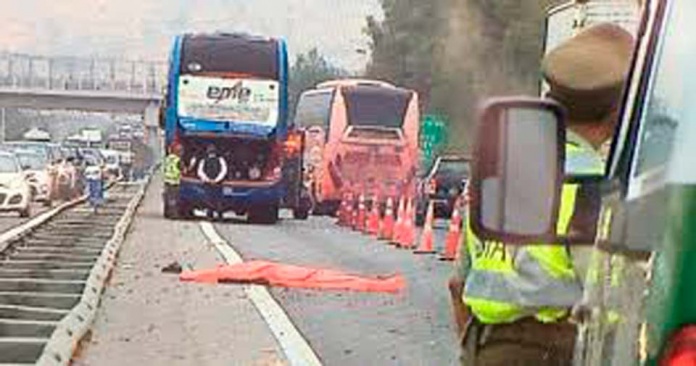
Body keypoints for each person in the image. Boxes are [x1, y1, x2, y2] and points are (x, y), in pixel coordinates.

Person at [449, 23, 634, 366]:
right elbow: (611, 307)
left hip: (483, 349)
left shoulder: (500, 171)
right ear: (617, 113)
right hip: (557, 353)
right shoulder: (591, 186)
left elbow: (458, 285)